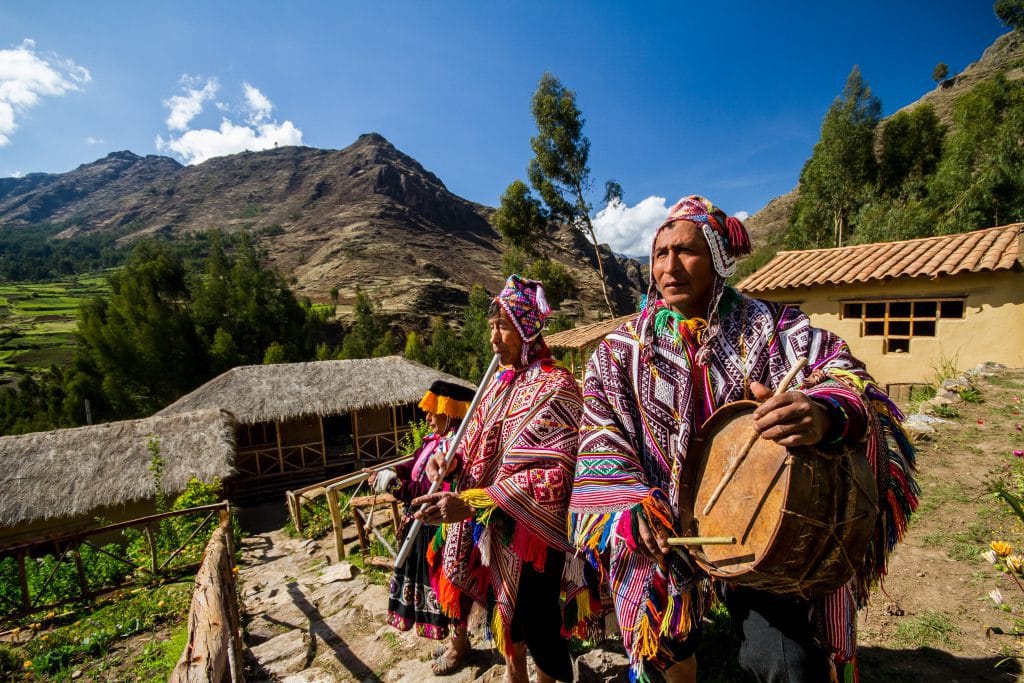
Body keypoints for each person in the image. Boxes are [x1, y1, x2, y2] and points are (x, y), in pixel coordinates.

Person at [566, 196, 919, 682]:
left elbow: (841, 373)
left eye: (686, 251)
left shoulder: (772, 328)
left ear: (717, 259)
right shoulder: (620, 351)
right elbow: (601, 433)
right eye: (660, 252)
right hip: (665, 526)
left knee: (787, 664)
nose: (670, 266)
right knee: (666, 649)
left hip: (757, 525)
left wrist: (821, 412)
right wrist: (629, 504)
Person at [413, 275, 597, 683]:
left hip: (535, 530)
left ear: (527, 327)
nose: (494, 338)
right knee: (506, 621)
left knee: (540, 626)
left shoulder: (558, 385)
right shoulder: (495, 386)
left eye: (504, 326)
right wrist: (448, 461)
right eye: (491, 327)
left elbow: (561, 470)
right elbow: (474, 446)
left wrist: (483, 498)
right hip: (493, 531)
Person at [368, 379, 475, 674]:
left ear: (450, 412)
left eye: (433, 412)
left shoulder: (456, 447)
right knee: (439, 590)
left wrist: (392, 485)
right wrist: (388, 471)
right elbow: (413, 466)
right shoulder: (434, 442)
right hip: (423, 527)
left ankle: (458, 647)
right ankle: (458, 642)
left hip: (441, 530)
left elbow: (424, 487)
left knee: (448, 588)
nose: (427, 418)